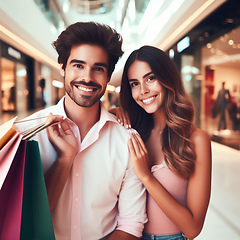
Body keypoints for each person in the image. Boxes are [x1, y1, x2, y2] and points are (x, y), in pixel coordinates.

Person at [16, 22, 147, 240]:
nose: (87, 77)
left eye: (98, 68)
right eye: (78, 65)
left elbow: (131, 224)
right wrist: (64, 160)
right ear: (63, 68)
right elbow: (21, 219)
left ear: (108, 74)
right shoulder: (25, 134)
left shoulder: (128, 140)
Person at [113, 46, 212, 240]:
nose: (143, 90)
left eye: (150, 78)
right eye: (134, 83)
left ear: (167, 78)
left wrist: (146, 177)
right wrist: (110, 114)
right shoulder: (130, 132)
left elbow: (193, 229)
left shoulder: (195, 140)